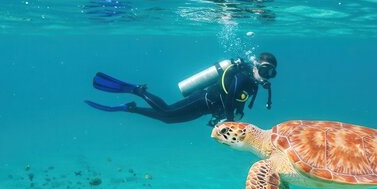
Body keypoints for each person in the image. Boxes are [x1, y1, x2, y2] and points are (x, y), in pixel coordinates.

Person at [85, 52, 278, 126]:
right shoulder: (243, 77)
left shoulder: (253, 84)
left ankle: (131, 108)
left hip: (208, 108)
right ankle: (139, 91)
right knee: (166, 111)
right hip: (204, 100)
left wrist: (236, 115)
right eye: (263, 70)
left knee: (168, 120)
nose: (265, 75)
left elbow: (238, 102)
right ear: (256, 66)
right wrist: (229, 121)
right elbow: (229, 97)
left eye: (270, 73)